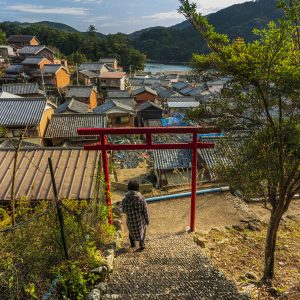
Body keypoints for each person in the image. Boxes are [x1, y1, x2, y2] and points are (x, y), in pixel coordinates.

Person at [122, 180, 149, 250]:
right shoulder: (141, 199)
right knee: (143, 230)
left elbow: (124, 211)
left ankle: (132, 244)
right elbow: (145, 211)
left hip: (130, 221)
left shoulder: (124, 200)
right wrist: (147, 220)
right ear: (137, 188)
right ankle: (141, 243)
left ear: (128, 188)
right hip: (140, 222)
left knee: (130, 231)